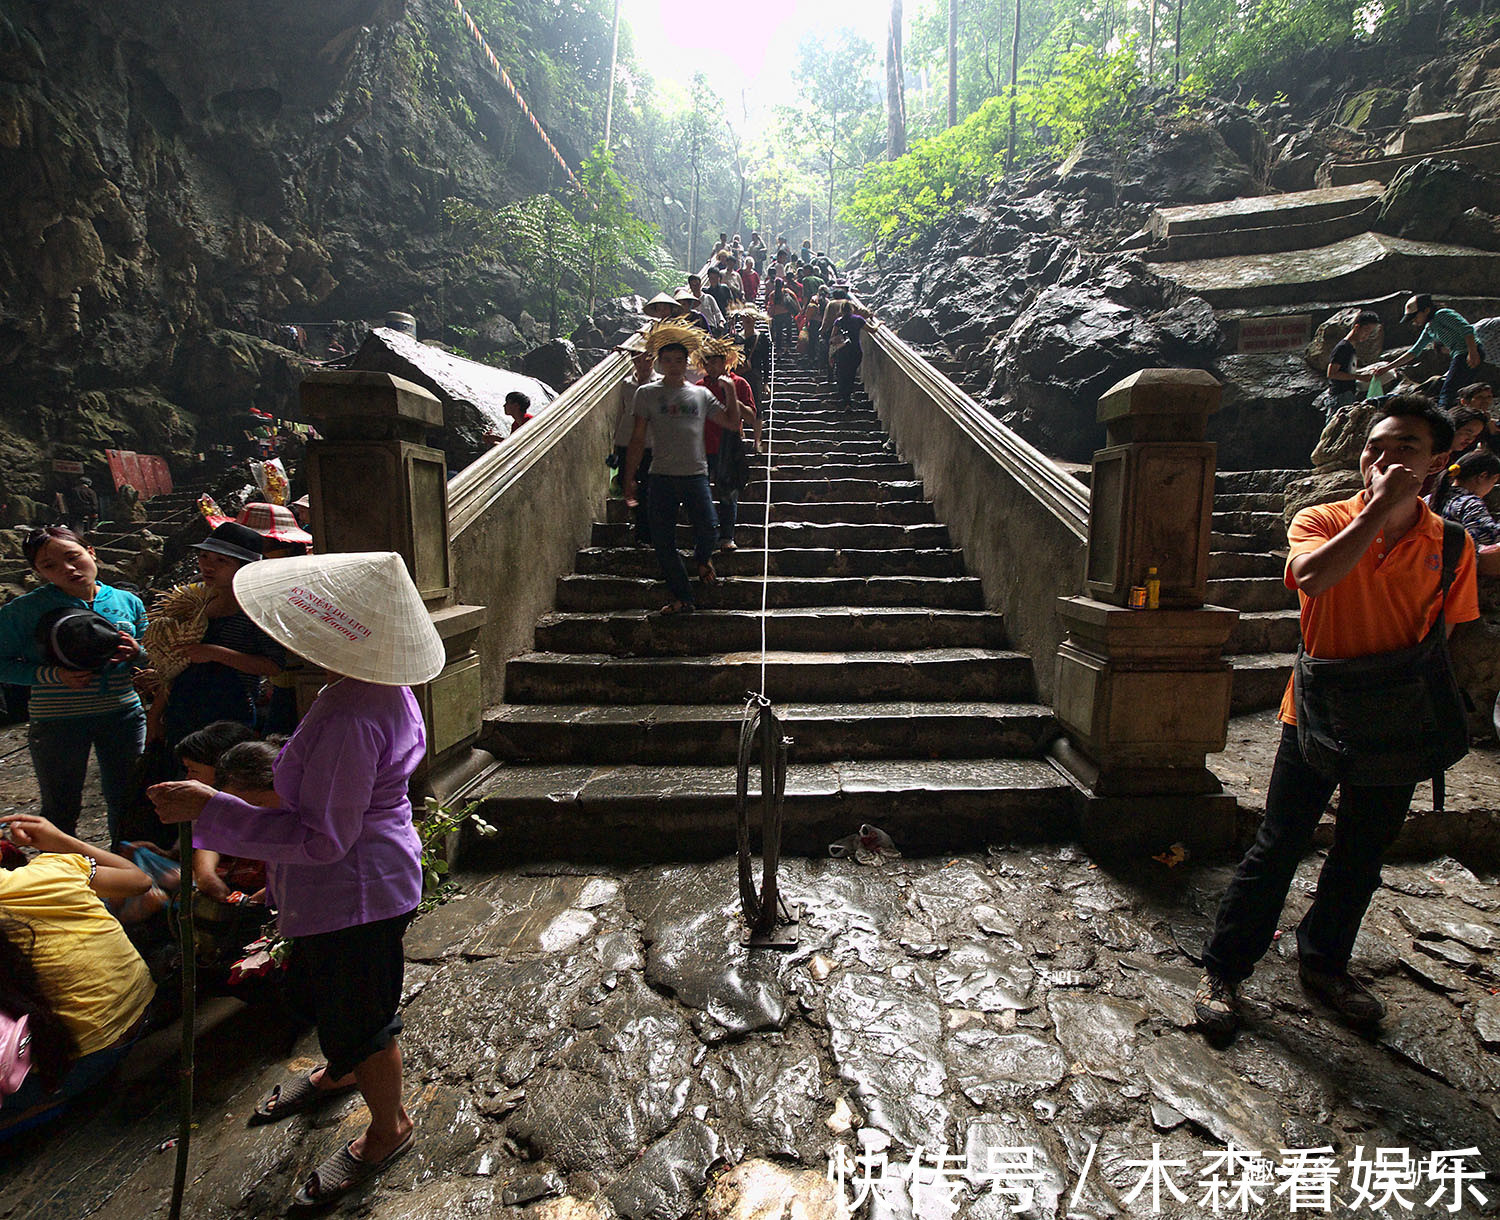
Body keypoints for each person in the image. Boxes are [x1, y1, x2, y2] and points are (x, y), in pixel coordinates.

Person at [150, 549, 445, 1208]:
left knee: (361, 1017)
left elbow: (325, 837)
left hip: (356, 891)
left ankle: (388, 1126)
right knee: (327, 995)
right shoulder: (367, 690)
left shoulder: (349, 714)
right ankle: (343, 1072)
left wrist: (212, 811)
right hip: (353, 881)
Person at [1194, 396, 1479, 1037]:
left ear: (1438, 461)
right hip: (1316, 713)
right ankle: (1225, 970)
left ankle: (1324, 964)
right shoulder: (1322, 519)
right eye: (1375, 445)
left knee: (1361, 854)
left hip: (1397, 721)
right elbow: (1314, 580)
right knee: (1278, 845)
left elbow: (1450, 637)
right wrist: (1379, 508)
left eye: (1404, 446)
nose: (1382, 456)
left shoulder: (1453, 545)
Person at [0, 813, 156, 1139]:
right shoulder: (56, 867)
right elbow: (139, 880)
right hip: (141, 1010)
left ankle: (48, 1104)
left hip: (86, 1056)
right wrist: (60, 841)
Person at [0, 527, 147, 840]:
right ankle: (61, 878)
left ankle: (127, 874)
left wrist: (138, 652)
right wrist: (54, 675)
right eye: (49, 566)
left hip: (123, 715)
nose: (67, 569)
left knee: (127, 798)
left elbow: (154, 652)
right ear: (37, 571)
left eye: (72, 557)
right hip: (58, 721)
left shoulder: (128, 601)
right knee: (61, 806)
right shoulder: (24, 612)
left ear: (90, 552)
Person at [624, 323, 743, 615]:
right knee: (662, 540)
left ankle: (703, 559)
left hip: (696, 474)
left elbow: (731, 423)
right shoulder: (647, 394)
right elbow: (638, 437)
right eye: (668, 360)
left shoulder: (700, 395)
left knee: (710, 529)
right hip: (661, 475)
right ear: (659, 363)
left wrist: (729, 392)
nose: (674, 365)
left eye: (680, 360)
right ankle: (683, 597)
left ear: (687, 363)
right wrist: (628, 476)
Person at [696, 337, 759, 553]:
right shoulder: (698, 387)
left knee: (728, 493)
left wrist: (731, 395)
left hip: (729, 445)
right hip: (702, 446)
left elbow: (751, 416)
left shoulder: (739, 384)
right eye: (708, 362)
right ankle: (705, 535)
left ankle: (727, 536)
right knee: (700, 494)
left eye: (715, 361)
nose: (711, 366)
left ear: (725, 362)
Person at [1371, 295, 1483, 411]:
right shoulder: (1430, 328)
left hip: (1467, 352)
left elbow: (1467, 330)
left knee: (1448, 391)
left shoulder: (1443, 314)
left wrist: (1472, 352)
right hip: (1460, 354)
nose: (1414, 321)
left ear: (1427, 310)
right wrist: (1387, 368)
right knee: (1459, 390)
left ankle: (1443, 417)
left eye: (1415, 317)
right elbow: (1414, 351)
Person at [613, 350, 657, 547]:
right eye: (638, 359)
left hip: (649, 443)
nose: (643, 363)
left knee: (647, 487)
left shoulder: (660, 384)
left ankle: (644, 533)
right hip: (625, 440)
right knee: (626, 483)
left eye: (647, 358)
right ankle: (639, 522)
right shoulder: (626, 384)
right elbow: (620, 412)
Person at [1431, 450, 1500, 575]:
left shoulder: (1431, 498)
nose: (1491, 488)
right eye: (1493, 482)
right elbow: (1490, 536)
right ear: (1482, 476)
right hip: (1453, 573)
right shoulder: (1469, 503)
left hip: (1427, 565)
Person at [1325, 310, 1381, 410]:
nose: (1367, 335)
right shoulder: (1343, 347)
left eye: (1370, 332)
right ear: (1356, 327)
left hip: (1348, 395)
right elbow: (1332, 373)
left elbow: (1346, 370)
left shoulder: (1351, 347)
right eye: (1366, 330)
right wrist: (1359, 377)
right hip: (1339, 396)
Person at [831, 301, 872, 406]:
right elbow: (872, 330)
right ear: (852, 309)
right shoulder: (858, 320)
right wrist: (879, 324)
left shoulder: (838, 322)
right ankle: (848, 396)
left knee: (842, 373)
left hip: (842, 351)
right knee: (851, 373)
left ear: (841, 310)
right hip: (855, 351)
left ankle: (843, 396)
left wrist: (831, 354)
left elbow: (832, 339)